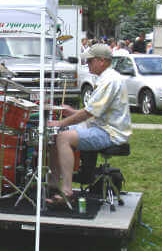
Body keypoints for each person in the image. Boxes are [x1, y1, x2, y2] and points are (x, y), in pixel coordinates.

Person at [46, 44, 131, 207]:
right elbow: (93, 111)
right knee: (56, 133)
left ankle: (67, 191)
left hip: (110, 132)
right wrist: (72, 112)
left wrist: (61, 122)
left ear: (103, 61)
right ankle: (53, 184)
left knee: (63, 136)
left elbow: (88, 113)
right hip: (99, 126)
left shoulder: (110, 81)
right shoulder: (105, 78)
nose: (88, 64)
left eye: (90, 61)